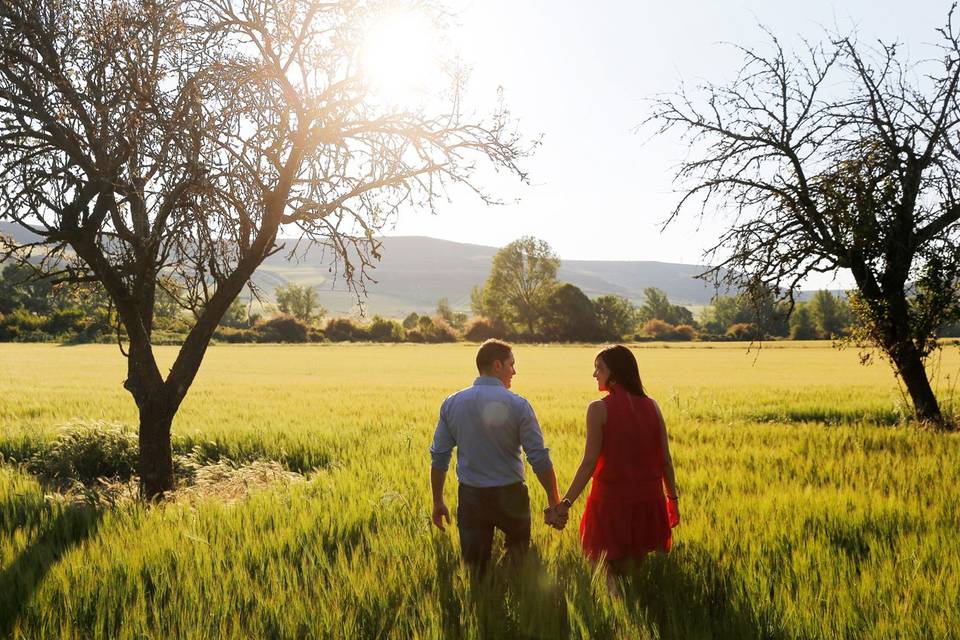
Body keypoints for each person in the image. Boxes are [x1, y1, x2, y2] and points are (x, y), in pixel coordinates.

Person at [430, 339, 567, 574]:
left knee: (476, 571)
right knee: (519, 564)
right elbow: (538, 458)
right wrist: (554, 501)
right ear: (497, 366)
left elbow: (440, 457)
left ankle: (482, 605)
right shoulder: (519, 405)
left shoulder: (452, 403)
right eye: (511, 364)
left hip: (471, 497)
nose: (515, 371)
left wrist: (438, 500)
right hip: (511, 495)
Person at [550, 345, 680, 578]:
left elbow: (589, 462)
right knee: (633, 568)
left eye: (599, 368)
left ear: (615, 373)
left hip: (610, 502)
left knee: (597, 560)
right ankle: (629, 607)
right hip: (649, 500)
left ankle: (615, 604)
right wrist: (673, 500)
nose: (594, 374)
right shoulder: (653, 406)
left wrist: (565, 503)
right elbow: (666, 461)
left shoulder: (598, 409)